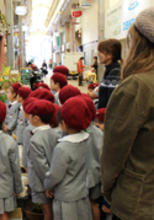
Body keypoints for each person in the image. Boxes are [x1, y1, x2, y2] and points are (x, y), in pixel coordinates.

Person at [101, 7, 154, 220]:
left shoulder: (137, 86)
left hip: (138, 201)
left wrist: (107, 191)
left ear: (138, 43)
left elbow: (114, 153)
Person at [44, 96, 92, 220]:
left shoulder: (63, 147)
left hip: (65, 197)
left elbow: (55, 175)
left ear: (64, 123)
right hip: (82, 193)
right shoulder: (87, 139)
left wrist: (48, 186)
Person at [28, 100, 60, 220]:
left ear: (36, 118)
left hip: (42, 184)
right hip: (55, 179)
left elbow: (41, 166)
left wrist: (48, 186)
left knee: (47, 213)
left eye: (30, 115)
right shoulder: (56, 134)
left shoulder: (35, 139)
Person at [97, 39, 122, 108]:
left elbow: (111, 101)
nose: (98, 54)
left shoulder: (115, 71)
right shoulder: (109, 69)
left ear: (110, 55)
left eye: (100, 51)